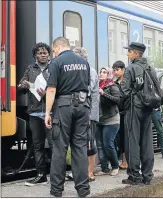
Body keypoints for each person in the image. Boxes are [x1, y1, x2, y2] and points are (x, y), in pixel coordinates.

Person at [45, 37, 91, 198]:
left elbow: (51, 89)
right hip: (83, 106)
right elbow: (87, 85)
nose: (53, 53)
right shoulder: (83, 62)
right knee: (80, 147)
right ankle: (83, 189)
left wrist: (47, 113)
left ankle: (57, 190)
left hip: (64, 107)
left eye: (53, 50)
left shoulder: (56, 62)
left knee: (60, 148)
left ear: (57, 47)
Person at [18, 42, 53, 186]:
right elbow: (21, 86)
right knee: (38, 145)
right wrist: (23, 85)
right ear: (35, 56)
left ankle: (58, 174)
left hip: (50, 112)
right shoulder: (30, 69)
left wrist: (47, 93)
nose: (43, 55)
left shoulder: (53, 68)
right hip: (34, 111)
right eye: (40, 53)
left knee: (53, 144)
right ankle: (41, 175)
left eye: (45, 53)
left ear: (49, 55)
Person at [120, 42, 154, 185]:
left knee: (132, 141)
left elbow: (124, 91)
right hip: (148, 107)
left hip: (134, 108)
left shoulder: (131, 68)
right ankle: (147, 175)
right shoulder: (150, 68)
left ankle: (135, 175)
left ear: (136, 54)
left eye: (130, 52)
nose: (128, 54)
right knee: (147, 142)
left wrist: (122, 106)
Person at [72, 47, 99, 181]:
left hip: (89, 112)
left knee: (89, 142)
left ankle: (90, 172)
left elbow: (87, 88)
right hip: (80, 110)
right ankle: (80, 171)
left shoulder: (91, 71)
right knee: (79, 142)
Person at [94, 67, 121, 176]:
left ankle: (115, 166)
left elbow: (117, 100)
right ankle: (104, 168)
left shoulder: (112, 86)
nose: (101, 73)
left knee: (108, 144)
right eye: (100, 71)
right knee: (100, 145)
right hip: (99, 119)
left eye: (104, 72)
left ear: (109, 74)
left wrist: (103, 93)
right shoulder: (96, 86)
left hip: (111, 120)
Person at [112, 61, 128, 169]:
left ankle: (125, 161)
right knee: (118, 138)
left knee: (125, 138)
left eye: (117, 70)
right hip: (117, 113)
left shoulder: (127, 82)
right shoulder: (114, 83)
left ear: (123, 69)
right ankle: (122, 161)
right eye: (114, 70)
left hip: (126, 113)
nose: (115, 72)